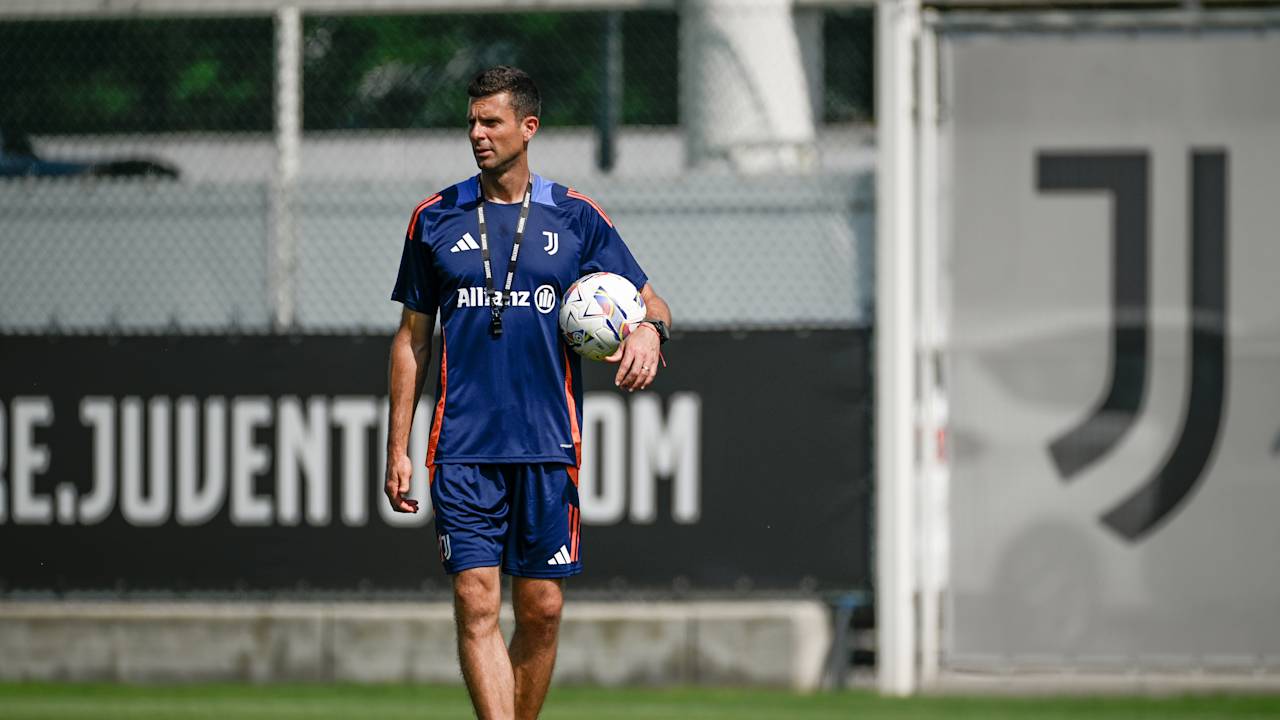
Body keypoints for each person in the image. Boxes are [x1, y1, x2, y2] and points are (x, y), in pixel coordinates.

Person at [383, 66, 672, 720]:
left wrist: (649, 332)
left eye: (492, 122)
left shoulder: (574, 217)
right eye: (472, 123)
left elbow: (652, 301)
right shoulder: (434, 218)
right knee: (477, 601)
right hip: (462, 448)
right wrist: (397, 447)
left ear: (528, 127)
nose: (478, 135)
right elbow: (411, 339)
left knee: (541, 610)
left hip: (547, 444)